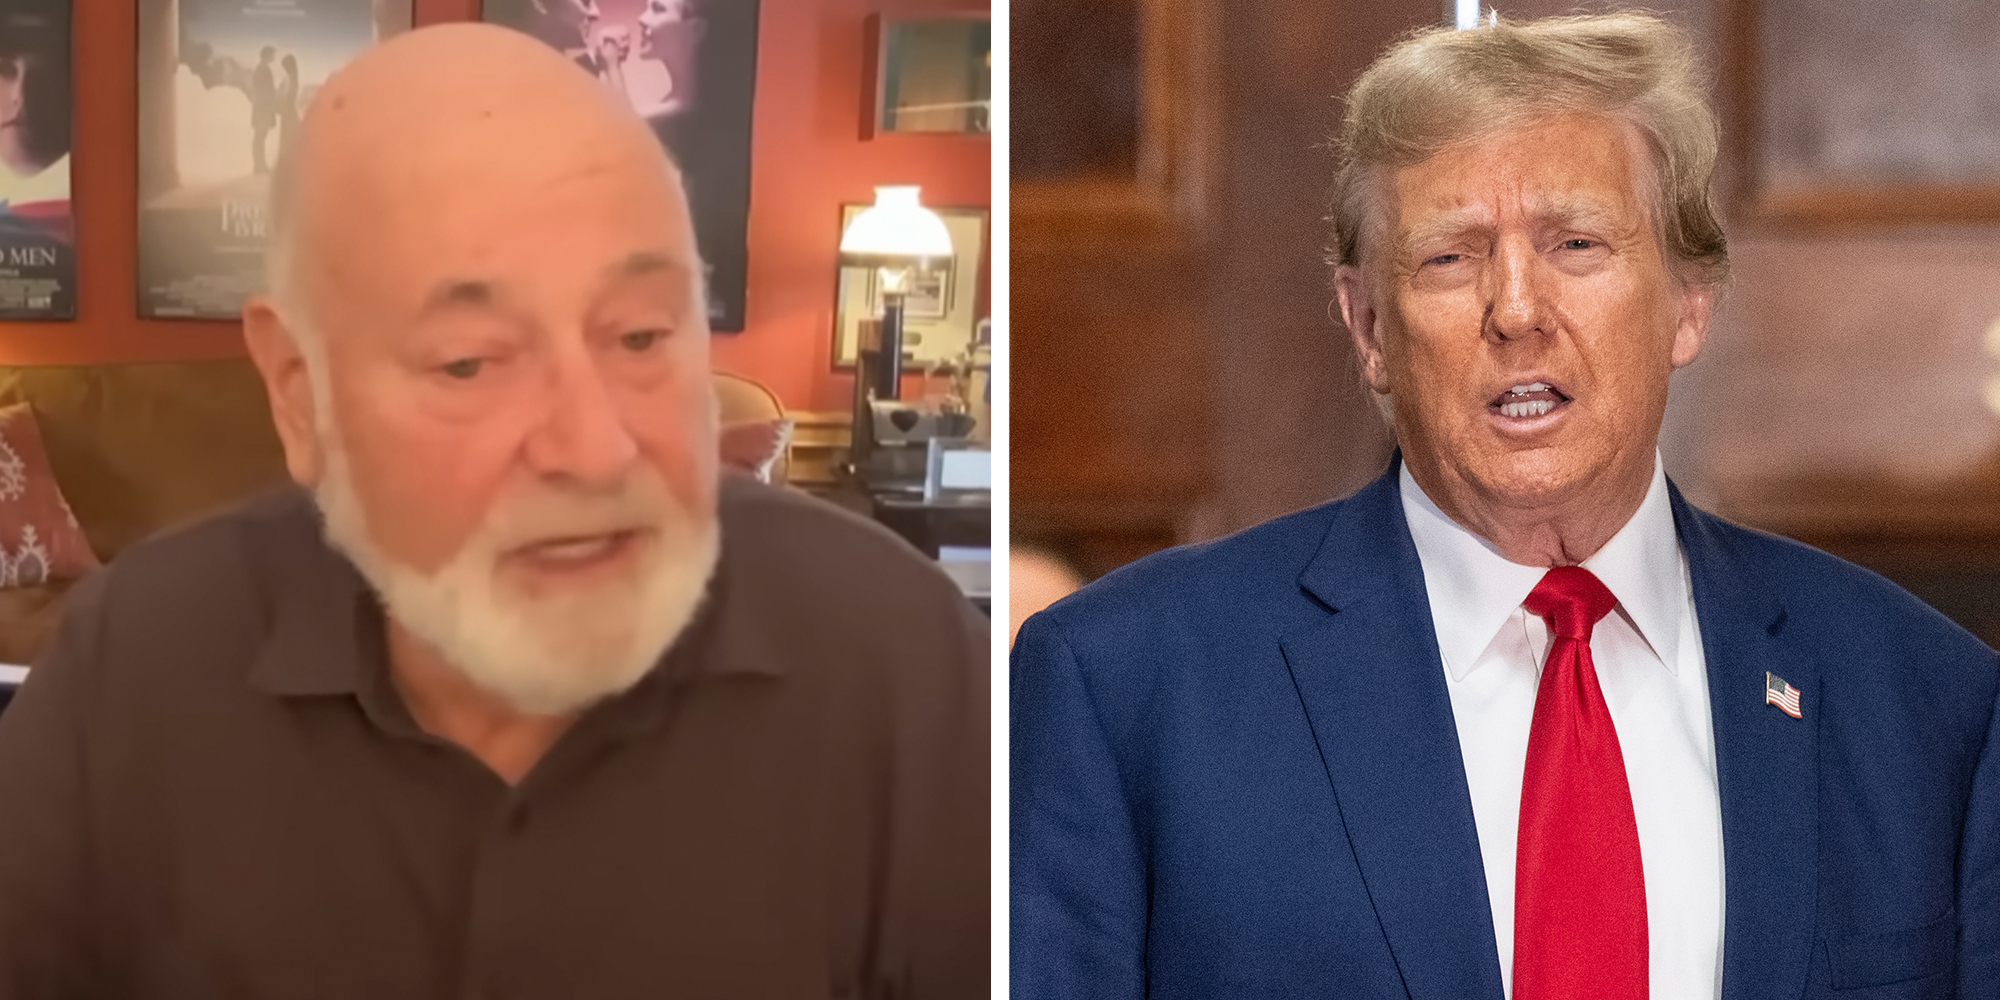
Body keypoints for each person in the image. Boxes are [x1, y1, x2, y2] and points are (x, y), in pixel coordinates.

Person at [1012, 12, 1998, 1000]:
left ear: (1687, 302)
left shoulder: (1930, 706)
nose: (1516, 310)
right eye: (1449, 256)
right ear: (1365, 327)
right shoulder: (1123, 688)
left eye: (1574, 243)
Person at [0, 22, 987, 998]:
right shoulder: (129, 673)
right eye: (469, 360)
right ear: (300, 392)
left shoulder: (904, 665)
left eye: (643, 336)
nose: (594, 448)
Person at [249, 45, 278, 175]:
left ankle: (259, 165)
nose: (274, 57)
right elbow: (264, 90)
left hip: (261, 107)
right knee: (260, 136)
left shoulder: (261, 69)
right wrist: (274, 94)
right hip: (263, 108)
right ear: (267, 56)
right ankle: (259, 166)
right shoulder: (263, 70)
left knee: (260, 136)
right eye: (272, 55)